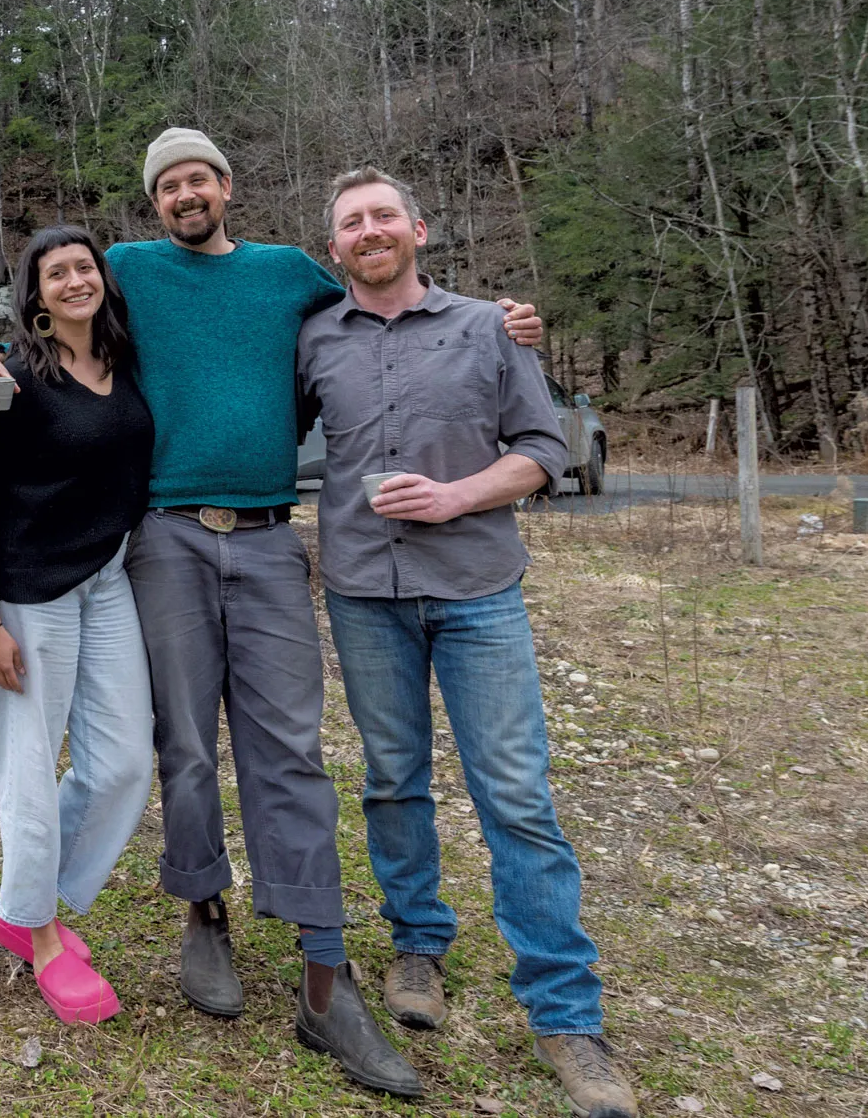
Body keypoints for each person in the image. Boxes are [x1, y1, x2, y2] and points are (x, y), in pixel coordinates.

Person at [0, 128, 543, 1096]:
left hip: (272, 537)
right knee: (183, 739)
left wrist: (495, 320)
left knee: (288, 743)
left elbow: (379, 299)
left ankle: (325, 970)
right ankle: (204, 912)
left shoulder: (287, 274)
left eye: (200, 177)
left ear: (227, 186)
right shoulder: (132, 271)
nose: (186, 193)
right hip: (166, 536)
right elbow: (52, 315)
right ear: (153, 202)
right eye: (168, 183)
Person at [299, 167, 639, 1118]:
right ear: (334, 247)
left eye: (382, 216)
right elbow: (247, 413)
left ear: (417, 226)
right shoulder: (316, 335)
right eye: (350, 223)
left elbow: (545, 448)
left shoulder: (489, 328)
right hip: (364, 590)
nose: (368, 231)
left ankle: (568, 1018)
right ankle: (417, 945)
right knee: (392, 775)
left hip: (478, 589)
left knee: (517, 794)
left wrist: (455, 495)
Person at [0, 225, 155, 1026]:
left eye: (84, 267)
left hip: (106, 581)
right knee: (31, 765)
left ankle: (25, 899)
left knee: (124, 762)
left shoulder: (126, 357)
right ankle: (36, 932)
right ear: (35, 294)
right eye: (55, 272)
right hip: (31, 594)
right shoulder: (11, 376)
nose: (74, 280)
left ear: (102, 278)